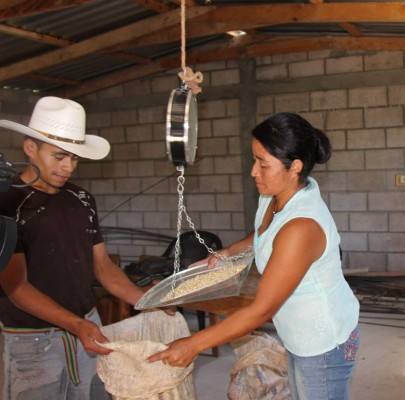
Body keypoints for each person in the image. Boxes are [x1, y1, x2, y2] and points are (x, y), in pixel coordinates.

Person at [149, 112, 361, 400]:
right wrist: (228, 252)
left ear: (295, 166)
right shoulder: (275, 196)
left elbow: (260, 310)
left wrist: (193, 343)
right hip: (299, 333)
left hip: (325, 342)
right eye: (254, 159)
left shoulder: (301, 227)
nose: (253, 171)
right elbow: (264, 234)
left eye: (263, 164)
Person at [0, 97, 149, 400]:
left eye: (74, 158)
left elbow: (103, 267)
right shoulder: (8, 203)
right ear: (31, 148)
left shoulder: (82, 199)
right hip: (34, 339)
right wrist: (75, 324)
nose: (68, 167)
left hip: (87, 325)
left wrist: (147, 300)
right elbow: (15, 285)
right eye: (59, 157)